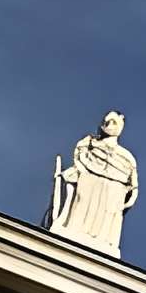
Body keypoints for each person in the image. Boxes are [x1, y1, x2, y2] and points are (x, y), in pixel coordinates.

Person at [48, 110, 139, 256]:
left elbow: (133, 187)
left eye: (114, 122)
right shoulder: (88, 144)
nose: (109, 125)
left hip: (113, 194)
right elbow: (79, 160)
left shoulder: (127, 157)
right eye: (106, 121)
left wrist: (128, 201)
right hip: (88, 188)